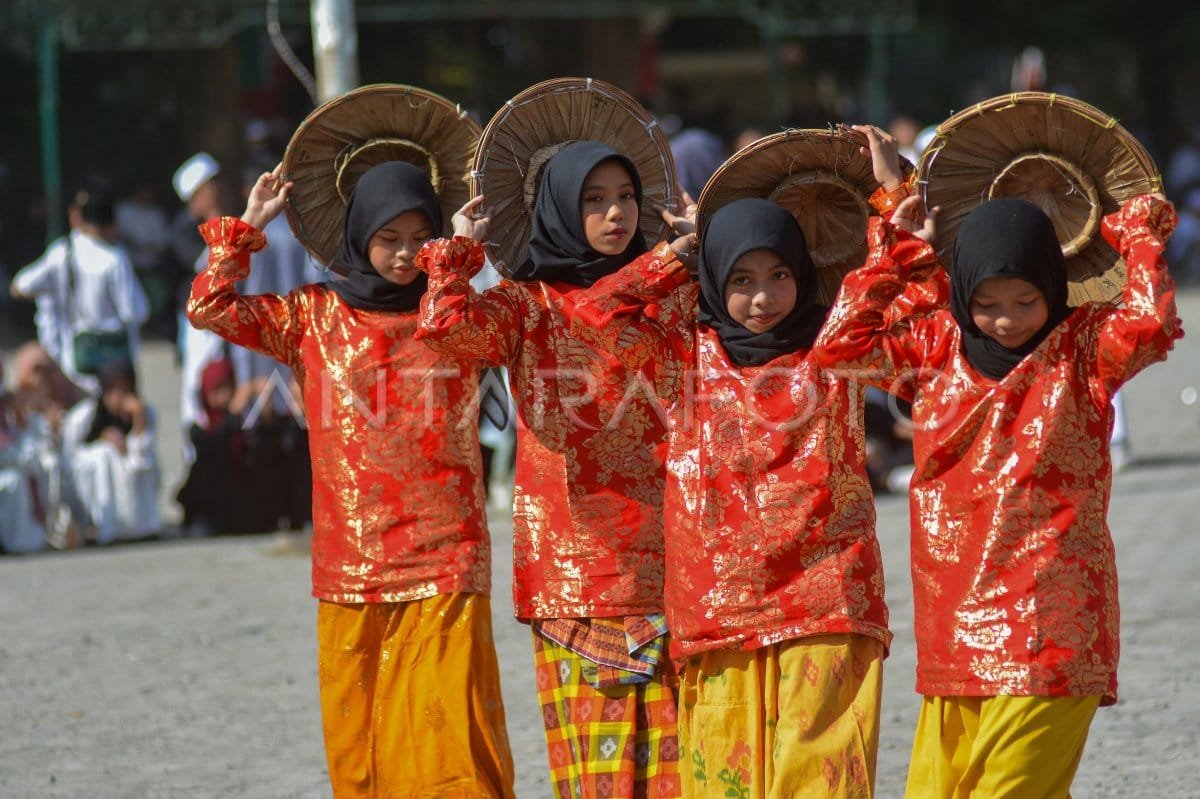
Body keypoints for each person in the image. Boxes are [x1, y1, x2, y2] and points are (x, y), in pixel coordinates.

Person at [813, 126, 1182, 796]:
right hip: (956, 630)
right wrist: (894, 241)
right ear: (965, 295)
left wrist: (1140, 236)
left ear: (1054, 285)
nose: (1007, 319)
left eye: (1025, 300)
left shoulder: (1084, 352)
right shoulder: (935, 346)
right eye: (986, 302)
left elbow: (1151, 325)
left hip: (1056, 630)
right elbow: (839, 349)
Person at [187, 161, 514, 797]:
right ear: (359, 235)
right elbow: (209, 308)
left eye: (419, 237)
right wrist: (246, 229)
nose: (403, 253)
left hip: (445, 557)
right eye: (387, 237)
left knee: (452, 741)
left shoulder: (453, 315)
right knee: (361, 750)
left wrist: (453, 263)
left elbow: (493, 332)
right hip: (351, 566)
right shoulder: (313, 316)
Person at [415, 141, 689, 799]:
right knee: (596, 779)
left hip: (676, 557)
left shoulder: (673, 292)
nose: (615, 213)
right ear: (560, 207)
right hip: (576, 564)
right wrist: (456, 257)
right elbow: (444, 330)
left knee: (684, 770)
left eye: (625, 197)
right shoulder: (525, 304)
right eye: (594, 200)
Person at [10, 182, 149, 390]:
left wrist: (51, 291)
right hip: (114, 364)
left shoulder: (62, 252)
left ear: (80, 218)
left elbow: (20, 286)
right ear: (112, 225)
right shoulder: (115, 258)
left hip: (75, 359)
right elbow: (136, 312)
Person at [62, 358, 162, 545]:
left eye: (124, 390)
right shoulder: (84, 416)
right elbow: (70, 459)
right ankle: (102, 527)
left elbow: (142, 457)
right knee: (103, 455)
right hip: (95, 473)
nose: (119, 397)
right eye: (112, 390)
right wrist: (102, 441)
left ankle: (141, 527)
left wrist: (138, 420)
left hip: (131, 473)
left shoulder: (146, 413)